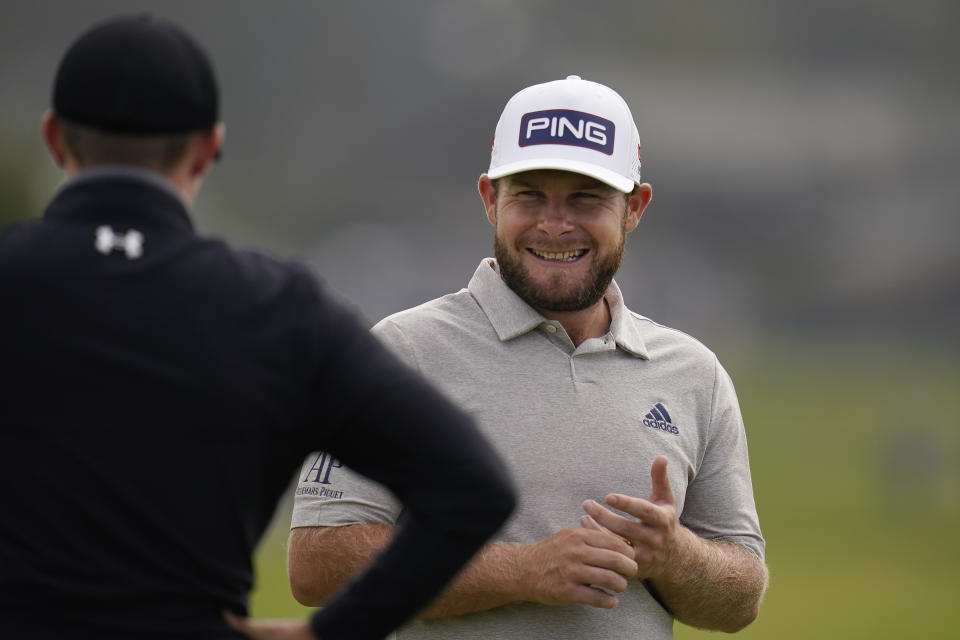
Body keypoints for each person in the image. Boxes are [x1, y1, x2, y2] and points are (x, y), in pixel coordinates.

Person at [0, 14, 516, 640]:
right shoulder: (273, 309)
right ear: (209, 146)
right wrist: (329, 634)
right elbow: (473, 486)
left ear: (55, 139)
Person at [288, 75, 768, 639]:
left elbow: (739, 602)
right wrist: (522, 570)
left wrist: (675, 556)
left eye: (586, 197)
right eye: (530, 195)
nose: (555, 224)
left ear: (634, 207)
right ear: (491, 199)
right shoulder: (398, 353)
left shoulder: (694, 375)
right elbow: (316, 565)